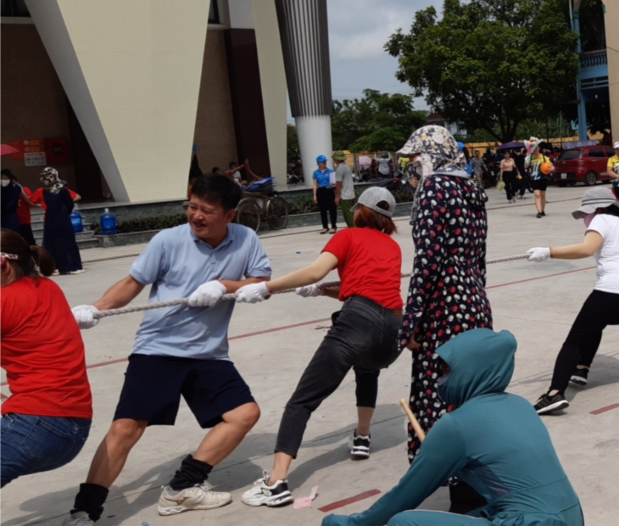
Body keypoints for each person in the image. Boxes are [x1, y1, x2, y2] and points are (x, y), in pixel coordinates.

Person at [63, 174, 270, 525]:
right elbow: (133, 283)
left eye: (207, 211)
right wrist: (96, 309)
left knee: (244, 414)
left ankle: (182, 488)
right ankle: (85, 510)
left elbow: (262, 282)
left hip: (209, 353)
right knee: (127, 427)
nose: (196, 216)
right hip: (159, 348)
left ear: (230, 215)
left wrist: (224, 285)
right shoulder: (168, 240)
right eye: (192, 207)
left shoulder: (246, 239)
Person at [235, 188, 403, 507]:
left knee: (302, 401)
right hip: (393, 331)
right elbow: (368, 288)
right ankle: (363, 437)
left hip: (358, 324)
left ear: (360, 211)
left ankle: (276, 483)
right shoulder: (392, 246)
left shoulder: (348, 235)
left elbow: (315, 271)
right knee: (367, 370)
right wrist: (322, 291)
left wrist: (265, 287)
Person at [321, 329, 583, 526]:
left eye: (447, 371)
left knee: (404, 522)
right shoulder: (521, 405)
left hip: (531, 522)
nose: (440, 379)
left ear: (472, 371)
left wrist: (350, 523)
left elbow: (404, 496)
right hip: (571, 516)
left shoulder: (457, 424)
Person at [397, 125, 493, 514]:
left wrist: (411, 321)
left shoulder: (434, 188)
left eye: (415, 157)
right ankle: (477, 489)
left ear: (432, 155)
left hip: (444, 306)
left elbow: (428, 259)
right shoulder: (470, 189)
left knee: (441, 397)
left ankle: (464, 501)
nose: (412, 165)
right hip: (474, 302)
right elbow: (480, 258)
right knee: (470, 396)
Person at [525, 188, 619, 414]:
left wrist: (549, 252)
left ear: (598, 209)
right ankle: (581, 368)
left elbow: (586, 249)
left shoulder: (601, 218)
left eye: (585, 214)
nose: (585, 219)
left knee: (573, 342)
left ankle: (554, 394)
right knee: (594, 324)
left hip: (611, 292)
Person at [0, 231, 92, 489]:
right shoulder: (48, 287)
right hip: (73, 428)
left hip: (36, 424)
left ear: (4, 263)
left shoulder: (4, 301)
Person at [30, 168, 83, 275]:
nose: (46, 179)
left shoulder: (62, 190)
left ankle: (74, 266)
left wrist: (63, 213)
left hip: (63, 219)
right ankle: (55, 266)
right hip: (50, 219)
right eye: (44, 176)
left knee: (68, 243)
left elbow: (69, 204)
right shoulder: (44, 191)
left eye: (49, 176)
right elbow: (34, 201)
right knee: (51, 244)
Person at [313, 155, 338, 234]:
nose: (324, 163)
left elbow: (335, 182)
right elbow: (315, 184)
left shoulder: (330, 171)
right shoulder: (316, 173)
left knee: (332, 209)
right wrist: (315, 195)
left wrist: (334, 184)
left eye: (325, 161)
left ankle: (333, 226)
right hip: (320, 191)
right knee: (322, 210)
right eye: (322, 162)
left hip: (329, 190)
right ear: (318, 163)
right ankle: (325, 227)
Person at [526, 141, 551, 218]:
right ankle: (539, 211)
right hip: (533, 178)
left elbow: (550, 167)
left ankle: (543, 210)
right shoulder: (530, 157)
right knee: (537, 194)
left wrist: (549, 169)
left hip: (543, 178)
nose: (535, 149)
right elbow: (525, 166)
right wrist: (528, 156)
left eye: (536, 147)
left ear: (539, 148)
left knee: (542, 195)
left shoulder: (544, 158)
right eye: (533, 148)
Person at [334, 151, 357, 228]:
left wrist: (337, 197)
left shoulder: (339, 169)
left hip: (345, 196)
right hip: (351, 194)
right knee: (352, 214)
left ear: (337, 159)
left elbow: (339, 183)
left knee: (348, 216)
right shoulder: (347, 167)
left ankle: (353, 230)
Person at [0, 169, 24, 234]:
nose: (2, 181)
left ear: (10, 179)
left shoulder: (14, 191)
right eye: (1, 179)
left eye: (5, 179)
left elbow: (9, 207)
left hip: (10, 221)